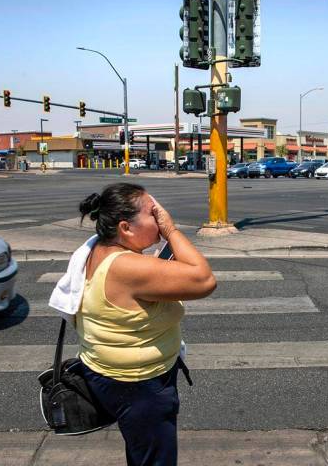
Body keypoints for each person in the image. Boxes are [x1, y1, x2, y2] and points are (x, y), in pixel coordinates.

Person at [65, 183, 216, 465]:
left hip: (107, 374)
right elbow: (204, 280)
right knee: (154, 458)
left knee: (140, 448)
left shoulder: (97, 247)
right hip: (138, 385)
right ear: (125, 227)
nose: (160, 218)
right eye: (153, 213)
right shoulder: (126, 266)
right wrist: (171, 231)